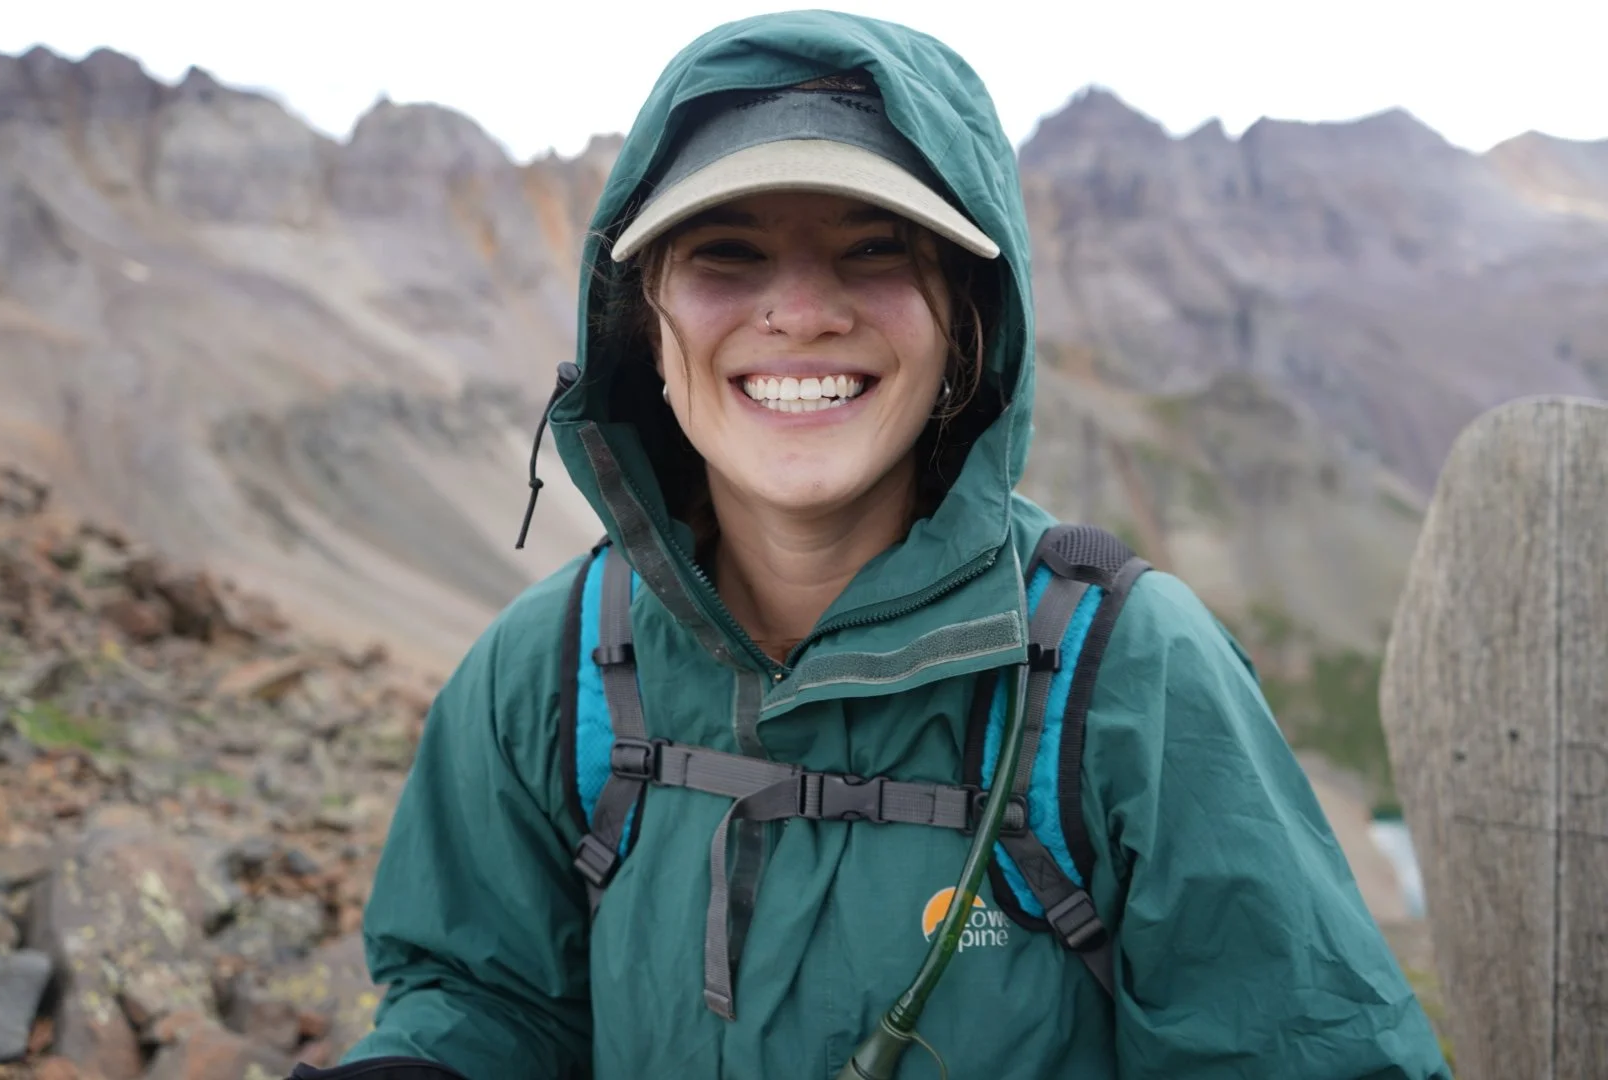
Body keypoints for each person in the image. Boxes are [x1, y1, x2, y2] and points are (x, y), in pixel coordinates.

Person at [295, 10, 1452, 1080]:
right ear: (640, 321)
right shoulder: (545, 667)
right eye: (725, 253)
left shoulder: (1131, 673)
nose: (800, 311)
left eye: (875, 249)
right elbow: (483, 1000)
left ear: (967, 321)